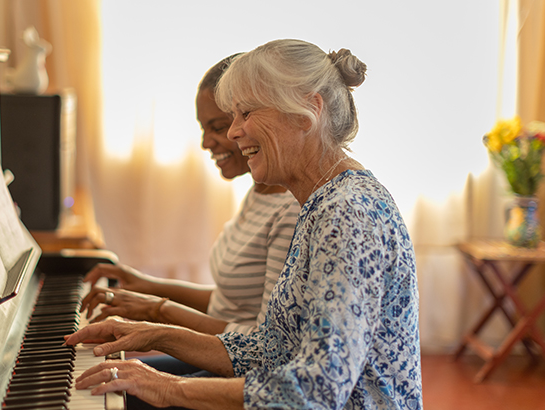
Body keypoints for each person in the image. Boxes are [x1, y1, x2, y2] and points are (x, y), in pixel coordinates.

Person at [64, 39, 423, 410]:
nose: (234, 132)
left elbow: (317, 390)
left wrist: (170, 387)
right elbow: (272, 349)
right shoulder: (322, 202)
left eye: (246, 113)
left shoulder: (348, 213)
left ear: (307, 111)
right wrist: (153, 332)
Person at [80, 54, 301, 340]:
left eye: (217, 127)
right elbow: (227, 305)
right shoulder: (260, 190)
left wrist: (157, 310)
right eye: (203, 128)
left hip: (236, 368)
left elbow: (263, 342)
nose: (205, 143)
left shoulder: (289, 212)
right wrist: (147, 285)